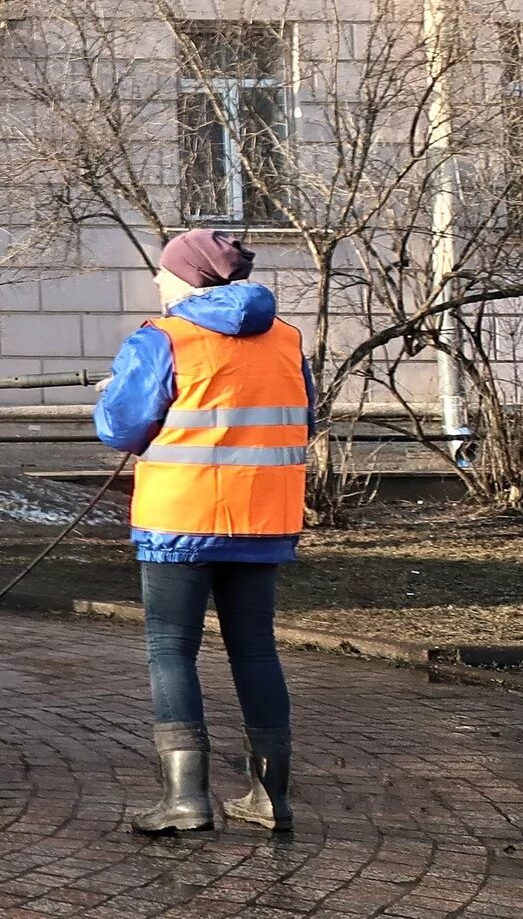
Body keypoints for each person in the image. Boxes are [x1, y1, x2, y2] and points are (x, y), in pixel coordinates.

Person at [93, 228, 313, 835]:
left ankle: (185, 800)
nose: (158, 282)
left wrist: (112, 394)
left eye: (164, 272)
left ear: (188, 277)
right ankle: (271, 799)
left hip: (180, 524)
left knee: (171, 651)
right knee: (256, 651)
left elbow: (121, 428)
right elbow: (303, 419)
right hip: (263, 520)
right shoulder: (288, 340)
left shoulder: (163, 338)